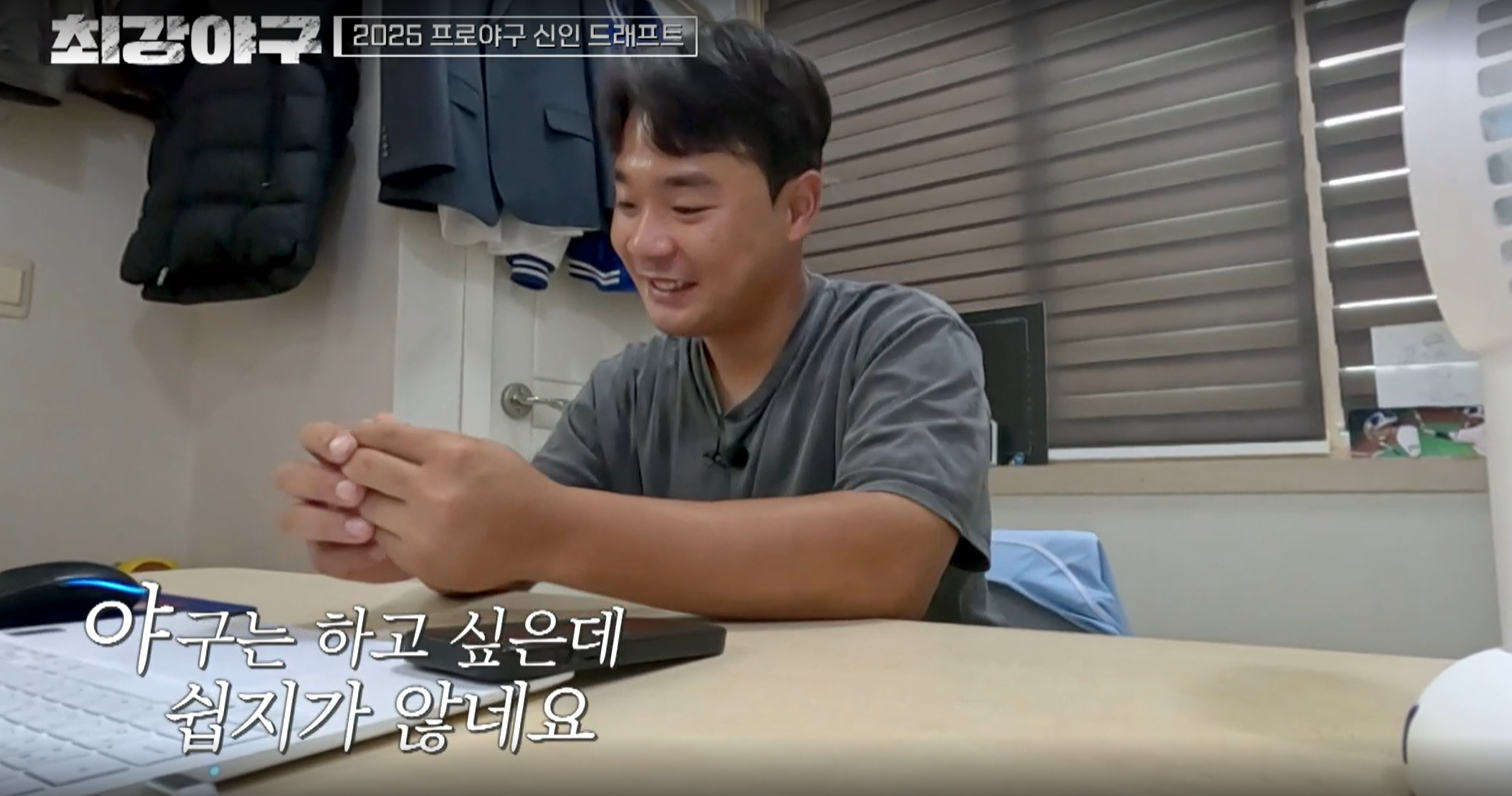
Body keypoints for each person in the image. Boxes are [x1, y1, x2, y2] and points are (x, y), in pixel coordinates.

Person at [272, 20, 996, 625]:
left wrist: (541, 530)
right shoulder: (626, 388)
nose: (645, 243)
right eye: (626, 203)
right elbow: (518, 545)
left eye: (688, 207)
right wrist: (415, 530)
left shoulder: (905, 339)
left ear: (798, 207)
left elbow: (890, 563)